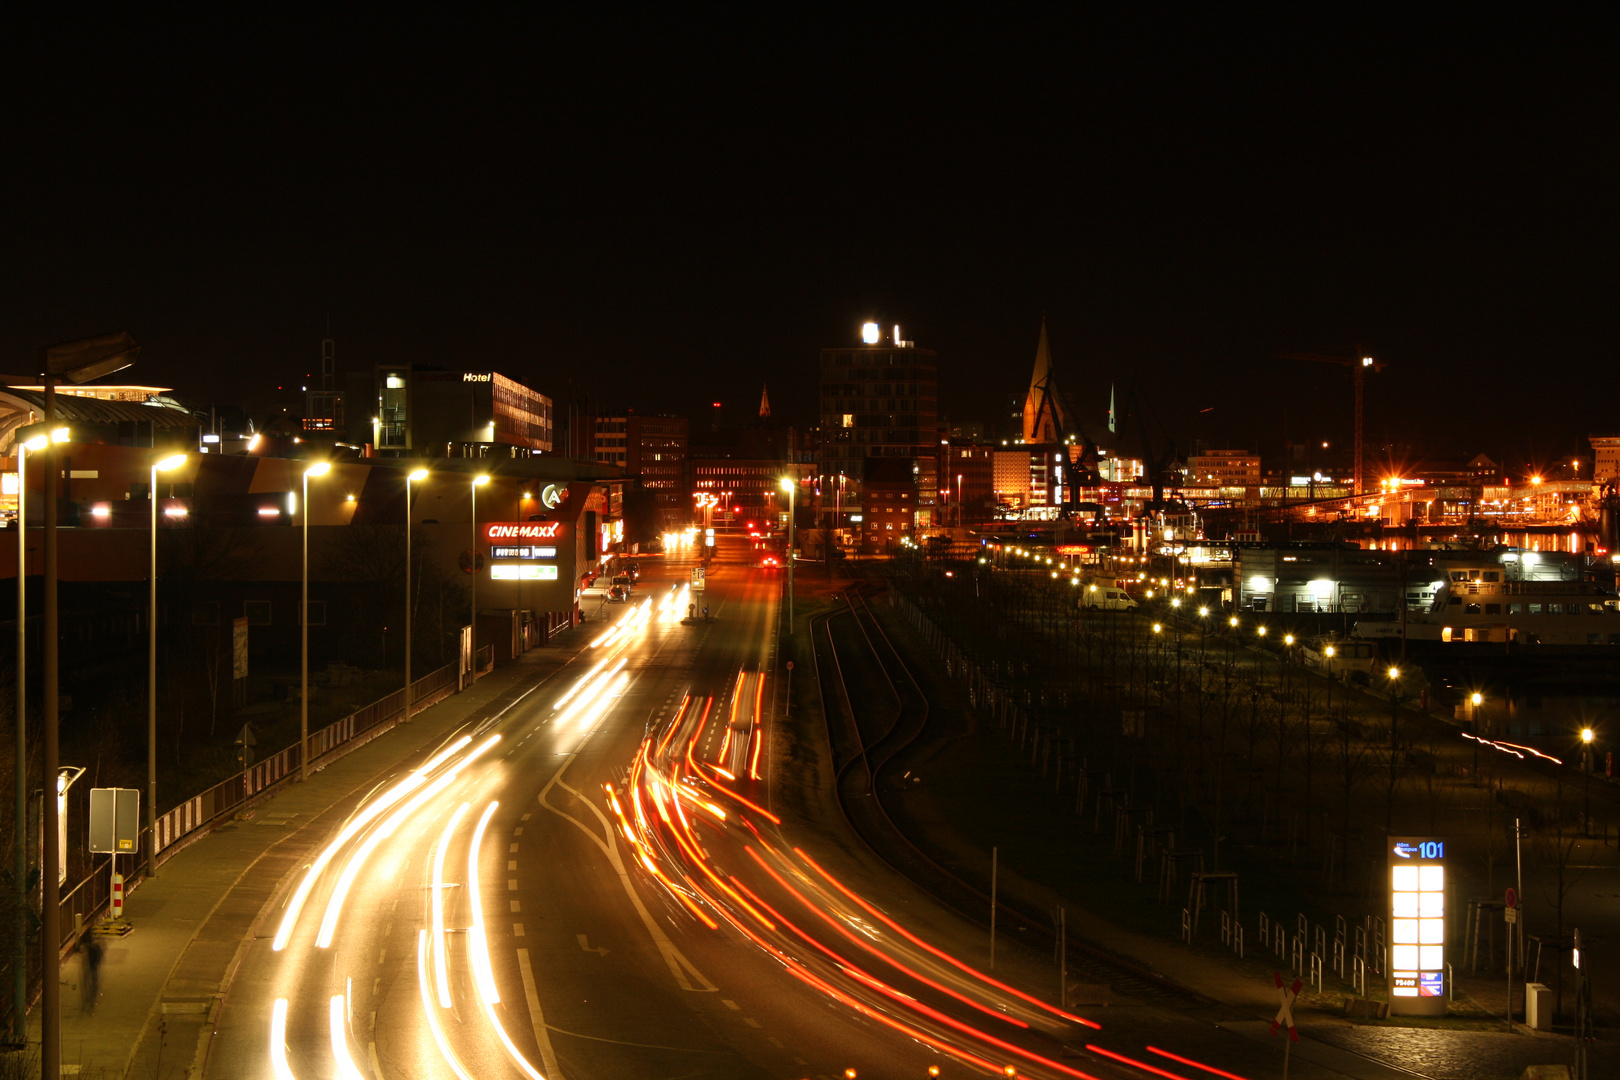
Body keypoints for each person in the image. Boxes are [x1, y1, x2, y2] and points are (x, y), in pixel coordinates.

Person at [82, 936, 105, 1014]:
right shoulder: (95, 947)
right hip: (93, 967)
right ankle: (91, 999)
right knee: (94, 982)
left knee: (91, 982)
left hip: (91, 967)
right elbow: (101, 956)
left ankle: (90, 999)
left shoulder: (91, 949)